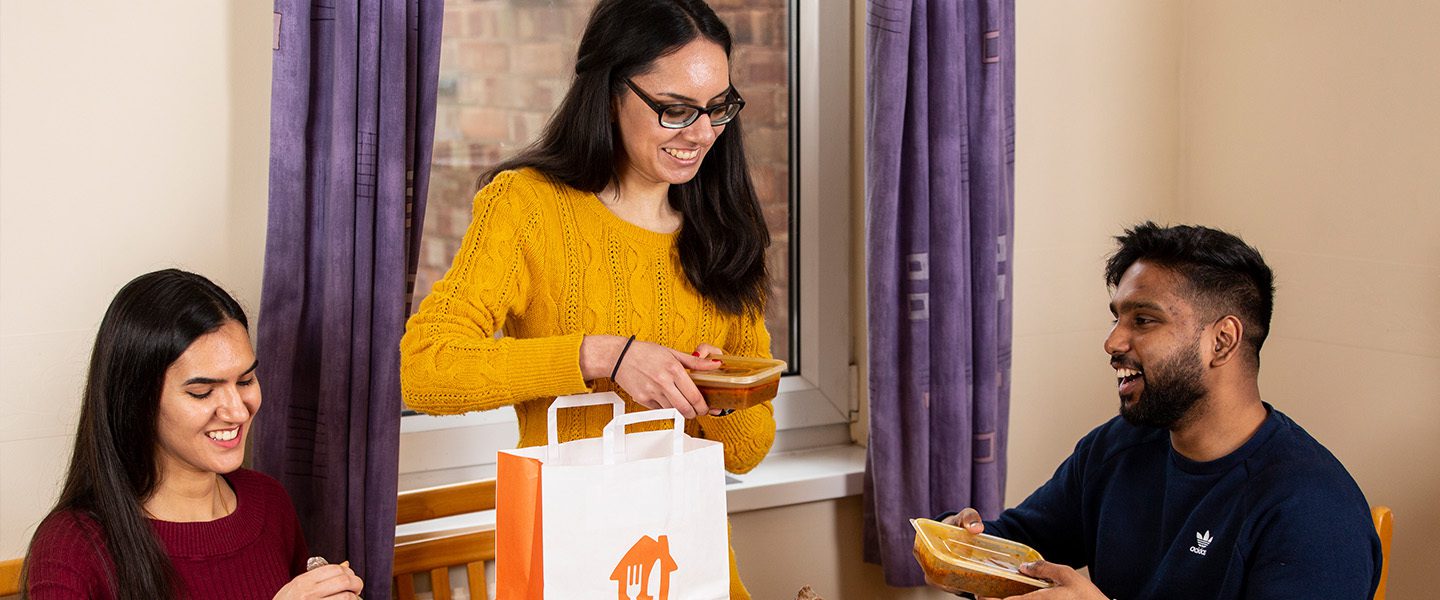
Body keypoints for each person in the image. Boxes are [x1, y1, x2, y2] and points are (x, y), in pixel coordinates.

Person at [399, 0, 775, 597]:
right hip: (570, 559)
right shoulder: (525, 206)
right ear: (608, 94)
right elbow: (423, 371)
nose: (702, 134)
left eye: (717, 108)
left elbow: (747, 452)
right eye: (675, 110)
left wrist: (716, 396)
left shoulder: (725, 228)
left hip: (689, 562)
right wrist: (599, 356)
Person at [942, 223, 1382, 599]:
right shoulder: (1114, 449)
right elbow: (1019, 544)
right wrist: (958, 544)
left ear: (1222, 341)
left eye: (1144, 320)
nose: (1113, 343)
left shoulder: (1315, 513)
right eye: (1116, 319)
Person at [23, 269, 364, 600]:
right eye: (203, 391)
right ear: (137, 401)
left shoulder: (270, 503)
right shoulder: (71, 547)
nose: (237, 411)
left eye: (245, 381)